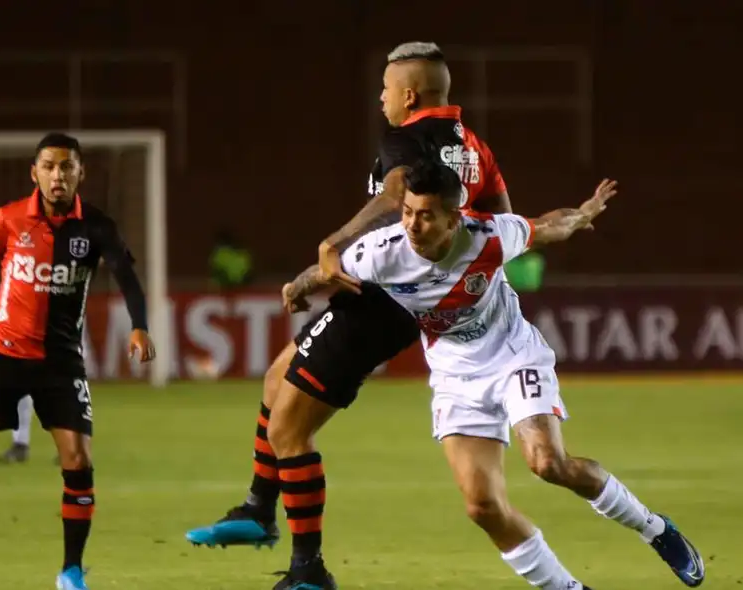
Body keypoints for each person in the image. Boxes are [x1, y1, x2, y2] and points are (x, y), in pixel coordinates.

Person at [185, 41, 511, 589]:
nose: (380, 99)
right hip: (399, 296)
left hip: (382, 300)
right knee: (275, 380)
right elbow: (500, 218)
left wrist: (331, 245)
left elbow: (396, 192)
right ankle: (257, 508)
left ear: (408, 95)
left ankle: (307, 570)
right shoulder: (472, 145)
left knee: (289, 430)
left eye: (385, 89)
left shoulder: (405, 137)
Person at [314, 159, 704, 589]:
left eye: (425, 215)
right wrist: (297, 287)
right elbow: (328, 270)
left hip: (512, 356)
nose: (412, 225)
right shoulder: (383, 252)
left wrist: (583, 214)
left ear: (452, 217)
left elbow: (549, 226)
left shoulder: (488, 236)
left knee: (548, 463)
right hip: (455, 379)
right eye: (407, 212)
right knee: (482, 507)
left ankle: (656, 529)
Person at [0, 132, 156, 590]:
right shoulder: (9, 219)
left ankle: (71, 571)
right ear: (34, 172)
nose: (57, 175)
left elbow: (127, 277)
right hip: (4, 353)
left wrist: (139, 324)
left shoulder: (96, 227)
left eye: (66, 166)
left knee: (78, 459)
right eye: (48, 166)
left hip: (61, 362)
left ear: (81, 172)